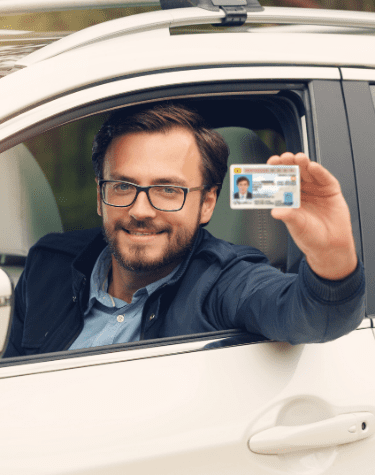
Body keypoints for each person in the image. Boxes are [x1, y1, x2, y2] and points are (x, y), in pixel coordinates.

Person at [4, 103, 364, 357]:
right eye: (123, 186)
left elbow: (317, 318)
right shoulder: (47, 265)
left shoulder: (225, 281)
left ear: (207, 203)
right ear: (100, 195)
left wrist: (332, 255)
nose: (140, 210)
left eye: (168, 190)